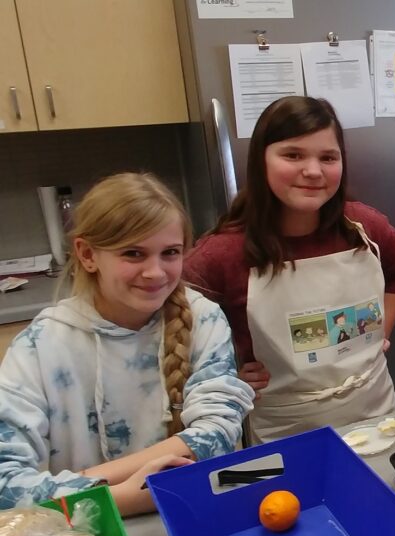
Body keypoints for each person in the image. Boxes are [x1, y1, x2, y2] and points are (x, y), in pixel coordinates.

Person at [0, 173, 254, 515]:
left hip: (185, 514)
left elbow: (216, 435)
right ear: (88, 254)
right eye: (133, 254)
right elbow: (6, 484)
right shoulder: (39, 347)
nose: (155, 272)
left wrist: (93, 482)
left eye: (170, 253)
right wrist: (123, 497)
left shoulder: (204, 319)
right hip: (83, 535)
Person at [185, 96, 395, 444]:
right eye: (293, 155)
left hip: (375, 414)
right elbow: (174, 326)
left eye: (328, 157)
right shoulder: (221, 253)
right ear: (261, 160)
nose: (313, 171)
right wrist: (225, 373)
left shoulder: (363, 227)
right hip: (285, 431)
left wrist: (381, 329)